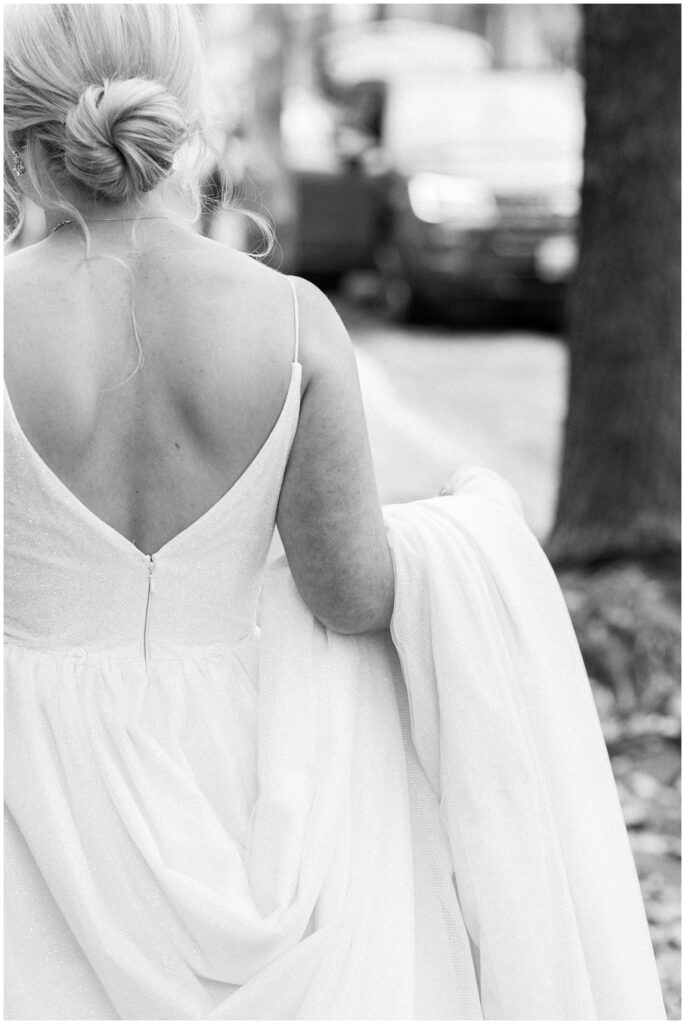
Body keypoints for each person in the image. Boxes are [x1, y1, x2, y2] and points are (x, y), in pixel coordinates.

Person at [4, 5, 667, 1021]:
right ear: (187, 119)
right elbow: (350, 591)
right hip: (246, 776)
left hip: (28, 790)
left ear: (19, 134)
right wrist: (472, 534)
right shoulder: (292, 321)